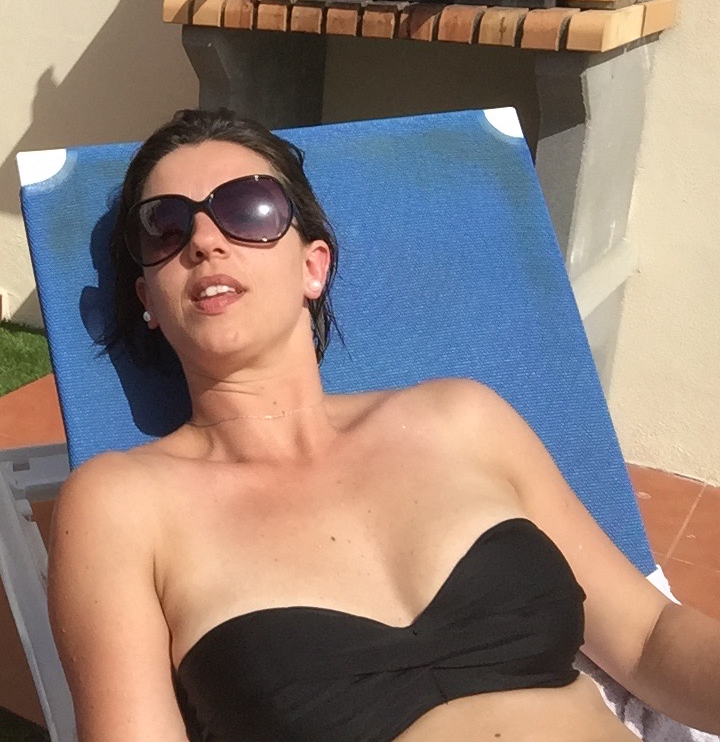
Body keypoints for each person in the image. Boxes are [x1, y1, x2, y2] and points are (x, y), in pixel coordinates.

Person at [47, 107, 720, 742]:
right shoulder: (122, 504)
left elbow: (647, 638)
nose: (204, 241)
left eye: (247, 209)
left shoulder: (461, 418)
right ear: (149, 300)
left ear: (312, 265)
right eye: (166, 227)